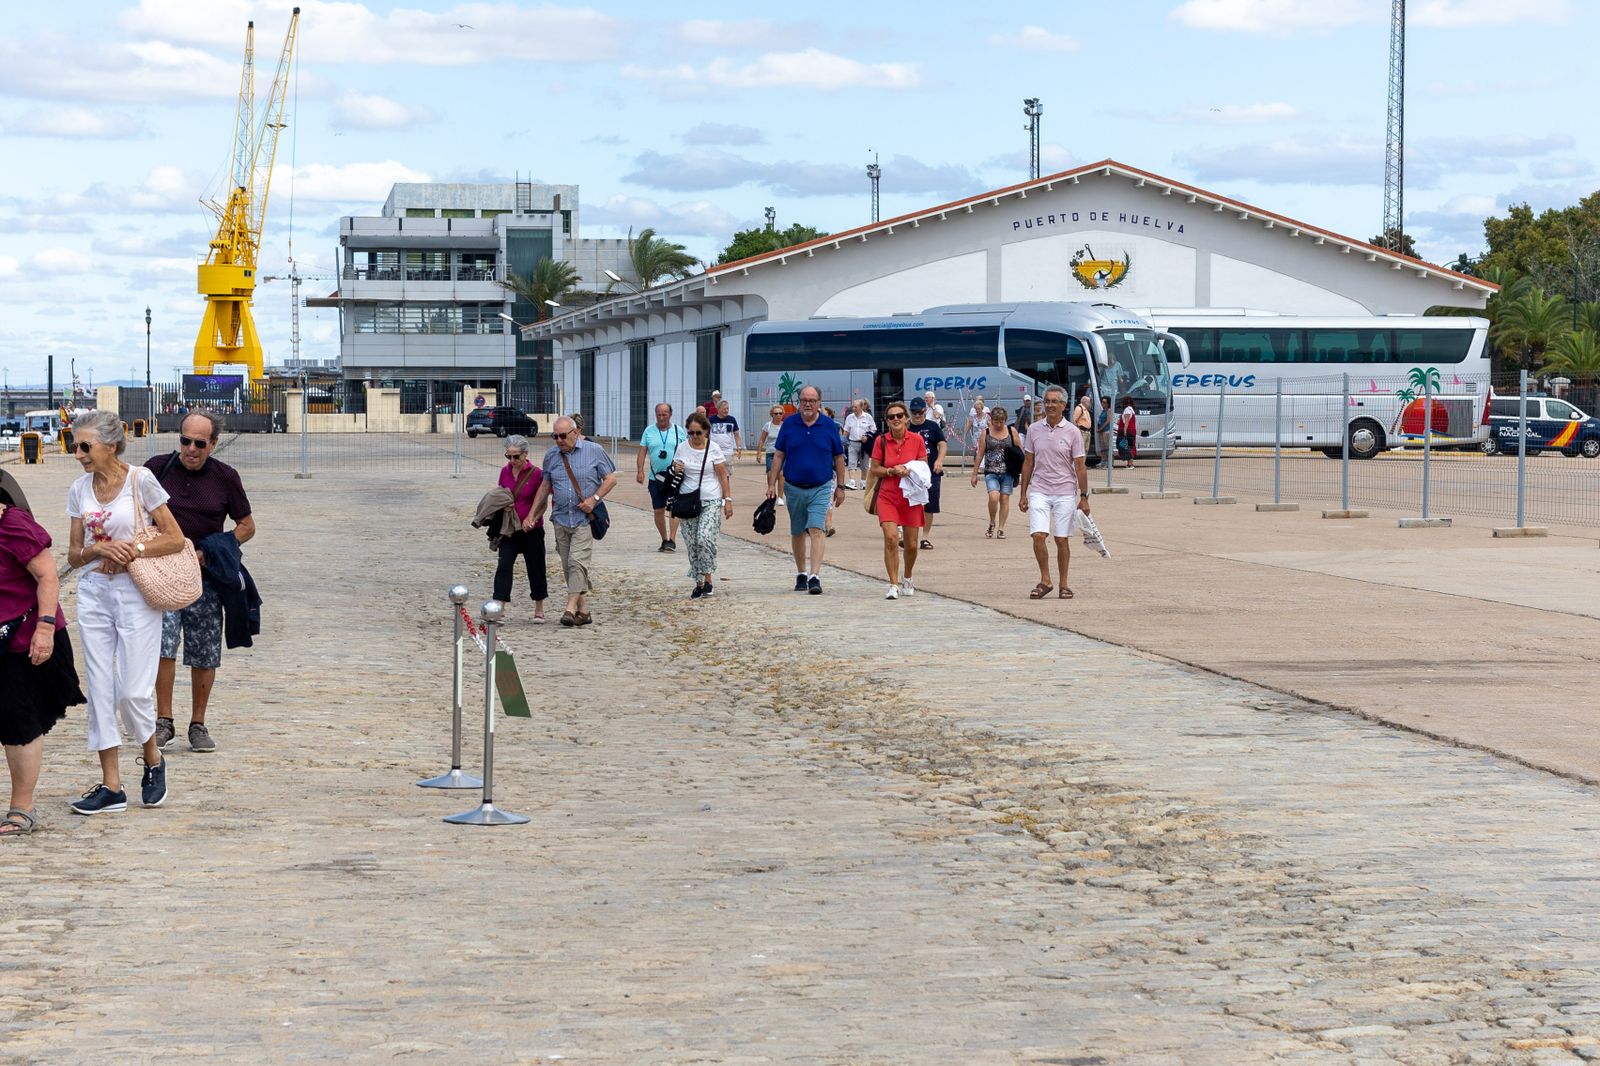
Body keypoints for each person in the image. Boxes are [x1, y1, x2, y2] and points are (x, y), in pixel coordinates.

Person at [65, 409, 188, 814]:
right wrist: (98, 549)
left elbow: (174, 538)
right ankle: (111, 786)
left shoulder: (141, 481)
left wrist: (132, 549)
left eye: (85, 445)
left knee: (134, 690)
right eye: (74, 444)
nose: (77, 453)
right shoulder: (78, 490)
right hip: (95, 593)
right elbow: (73, 554)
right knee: (100, 686)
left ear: (112, 445)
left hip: (136, 592)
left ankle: (152, 758)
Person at [145, 412, 256, 753]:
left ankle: (198, 724)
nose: (190, 449)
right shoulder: (155, 469)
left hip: (204, 578)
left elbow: (246, 526)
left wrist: (211, 551)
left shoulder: (225, 477)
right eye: (184, 441)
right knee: (162, 646)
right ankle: (164, 721)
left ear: (213, 444)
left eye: (199, 443)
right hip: (161, 575)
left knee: (204, 651)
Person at [0, 495, 86, 837]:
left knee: (17, 720)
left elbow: (49, 576)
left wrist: (45, 628)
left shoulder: (14, 526)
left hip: (25, 639)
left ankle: (22, 808)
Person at [531, 416, 617, 627]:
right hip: (560, 518)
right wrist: (532, 514)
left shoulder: (593, 451)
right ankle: (584, 611)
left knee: (576, 563)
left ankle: (569, 609)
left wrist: (593, 500)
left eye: (563, 436)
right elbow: (544, 487)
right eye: (555, 436)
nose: (559, 440)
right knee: (568, 566)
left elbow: (611, 479)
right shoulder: (551, 456)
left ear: (575, 433)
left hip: (583, 519)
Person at [767, 385, 845, 595]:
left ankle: (815, 576)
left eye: (812, 400)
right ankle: (801, 572)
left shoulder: (829, 425)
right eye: (803, 400)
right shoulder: (789, 424)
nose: (807, 404)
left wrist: (840, 487)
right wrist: (771, 485)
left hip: (821, 486)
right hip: (793, 487)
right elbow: (779, 455)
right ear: (798, 402)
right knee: (798, 530)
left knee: (816, 529)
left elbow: (838, 457)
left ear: (819, 402)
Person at [1017, 386, 1090, 601]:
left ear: (1063, 406)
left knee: (1061, 540)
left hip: (1065, 491)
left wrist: (1084, 497)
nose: (1049, 405)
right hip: (1040, 489)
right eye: (1047, 401)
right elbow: (1028, 461)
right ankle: (1045, 580)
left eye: (1054, 401)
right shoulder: (1034, 430)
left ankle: (1064, 584)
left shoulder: (1072, 432)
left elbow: (1080, 466)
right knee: (1038, 535)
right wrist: (1023, 493)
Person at [672, 410, 734, 599]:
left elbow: (723, 475)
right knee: (692, 543)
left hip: (711, 498)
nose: (695, 437)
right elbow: (675, 471)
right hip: (687, 501)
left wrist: (727, 500)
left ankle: (708, 577)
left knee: (704, 538)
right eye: (691, 433)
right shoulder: (682, 447)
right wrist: (676, 469)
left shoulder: (714, 448)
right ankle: (700, 583)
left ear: (706, 431)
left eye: (698, 433)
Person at [868, 400, 926, 599]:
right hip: (888, 495)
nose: (895, 419)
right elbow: (874, 468)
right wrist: (891, 470)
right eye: (891, 416)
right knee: (891, 538)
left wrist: (909, 469)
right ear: (887, 421)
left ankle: (907, 577)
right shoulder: (881, 441)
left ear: (907, 419)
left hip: (911, 496)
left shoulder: (917, 440)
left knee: (911, 544)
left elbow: (923, 465)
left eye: (899, 415)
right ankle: (893, 584)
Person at [493, 435, 548, 622]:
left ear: (525, 454)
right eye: (508, 456)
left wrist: (534, 518)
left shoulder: (537, 473)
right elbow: (500, 494)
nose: (512, 461)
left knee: (536, 567)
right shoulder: (504, 472)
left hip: (532, 529)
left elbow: (543, 502)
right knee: (504, 565)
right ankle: (499, 606)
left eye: (516, 457)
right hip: (510, 528)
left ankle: (539, 608)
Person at [635, 402, 685, 552]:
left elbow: (685, 451)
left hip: (674, 476)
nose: (662, 417)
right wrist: (640, 471)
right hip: (655, 478)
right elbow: (642, 451)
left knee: (674, 508)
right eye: (659, 414)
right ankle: (664, 538)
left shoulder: (678, 431)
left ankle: (672, 539)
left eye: (665, 414)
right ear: (655, 415)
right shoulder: (648, 431)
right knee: (658, 510)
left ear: (670, 414)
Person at [971, 405, 1020, 539]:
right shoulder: (985, 433)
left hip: (1008, 472)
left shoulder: (1011, 431)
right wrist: (974, 474)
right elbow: (980, 454)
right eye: (996, 421)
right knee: (993, 497)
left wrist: (1020, 469)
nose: (999, 424)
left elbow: (1020, 451)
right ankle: (992, 521)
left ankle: (1001, 528)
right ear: (991, 421)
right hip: (991, 471)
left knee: (1004, 499)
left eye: (1002, 421)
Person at [906, 396, 947, 551]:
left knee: (930, 504)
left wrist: (940, 460)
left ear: (925, 410)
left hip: (931, 471)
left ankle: (925, 538)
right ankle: (909, 535)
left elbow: (942, 444)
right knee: (911, 504)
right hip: (911, 473)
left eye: (920, 412)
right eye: (914, 412)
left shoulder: (932, 426)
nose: (917, 415)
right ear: (910, 412)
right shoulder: (906, 428)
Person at [843, 399, 877, 490]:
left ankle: (863, 482)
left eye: (856, 407)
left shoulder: (868, 417)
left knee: (864, 464)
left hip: (864, 444)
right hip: (852, 443)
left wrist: (867, 436)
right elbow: (846, 430)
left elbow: (873, 429)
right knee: (852, 462)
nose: (854, 409)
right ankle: (852, 481)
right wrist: (842, 441)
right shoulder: (849, 417)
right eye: (853, 407)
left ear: (861, 407)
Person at [756, 404, 786, 504]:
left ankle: (780, 497)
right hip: (770, 453)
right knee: (770, 474)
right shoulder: (767, 425)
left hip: (782, 453)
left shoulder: (785, 426)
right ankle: (771, 494)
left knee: (781, 475)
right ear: (772, 415)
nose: (778, 415)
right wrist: (759, 453)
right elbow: (762, 440)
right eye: (776, 413)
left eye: (780, 413)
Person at [1117, 397, 1139, 468]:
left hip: (1128, 431)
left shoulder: (1127, 410)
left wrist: (1124, 431)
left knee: (1128, 447)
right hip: (1132, 430)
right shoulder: (1131, 410)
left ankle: (1130, 464)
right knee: (1129, 446)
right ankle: (1129, 463)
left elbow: (1126, 421)